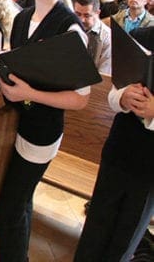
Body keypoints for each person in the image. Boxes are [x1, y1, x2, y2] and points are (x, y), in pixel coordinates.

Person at [0, 0, 90, 262]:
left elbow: (80, 99)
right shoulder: (23, 18)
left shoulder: (69, 29)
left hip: (41, 130)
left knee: (9, 209)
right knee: (19, 202)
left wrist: (29, 94)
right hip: (15, 119)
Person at [74, 26, 154, 262]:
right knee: (94, 230)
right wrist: (123, 97)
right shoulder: (140, 37)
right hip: (119, 150)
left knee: (124, 241)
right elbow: (113, 94)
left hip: (150, 171)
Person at [72, 0, 111, 74]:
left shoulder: (107, 37)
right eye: (78, 14)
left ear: (98, 13)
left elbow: (104, 74)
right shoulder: (69, 28)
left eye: (87, 15)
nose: (81, 20)